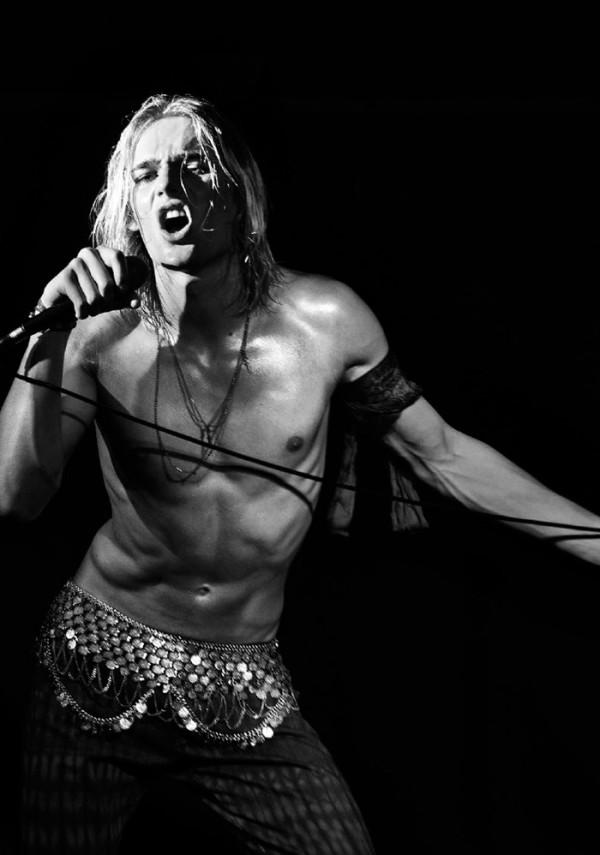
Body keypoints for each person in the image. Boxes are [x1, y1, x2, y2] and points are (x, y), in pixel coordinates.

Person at [1, 93, 600, 855]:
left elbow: (444, 456)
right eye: (147, 175)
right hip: (95, 665)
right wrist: (46, 335)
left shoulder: (326, 322)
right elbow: (16, 499)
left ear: (239, 192)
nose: (169, 188)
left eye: (194, 166)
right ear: (130, 209)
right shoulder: (96, 339)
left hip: (242, 684)